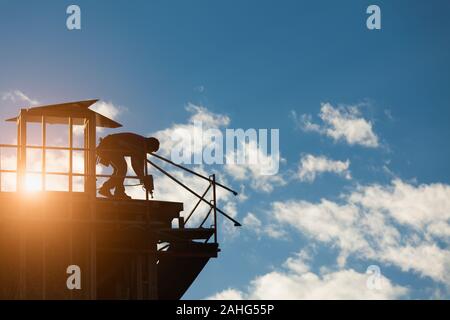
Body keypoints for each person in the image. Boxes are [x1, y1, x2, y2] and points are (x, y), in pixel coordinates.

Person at [96, 132, 160, 199]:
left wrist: (142, 177)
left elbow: (140, 164)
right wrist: (142, 178)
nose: (148, 152)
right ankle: (118, 192)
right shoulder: (140, 144)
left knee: (118, 170)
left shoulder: (141, 144)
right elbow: (135, 164)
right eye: (150, 150)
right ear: (150, 146)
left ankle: (107, 189)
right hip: (109, 145)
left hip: (108, 144)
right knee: (122, 168)